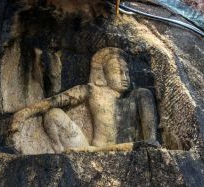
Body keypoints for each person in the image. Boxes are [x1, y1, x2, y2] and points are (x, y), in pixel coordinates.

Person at [11, 47, 158, 153]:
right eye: (117, 72)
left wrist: (149, 142)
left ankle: (150, 144)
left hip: (128, 148)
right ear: (103, 74)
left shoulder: (138, 95)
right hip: (93, 148)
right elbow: (55, 101)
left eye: (126, 72)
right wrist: (24, 112)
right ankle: (59, 154)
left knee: (145, 93)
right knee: (54, 114)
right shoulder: (92, 90)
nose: (124, 77)